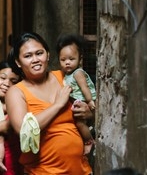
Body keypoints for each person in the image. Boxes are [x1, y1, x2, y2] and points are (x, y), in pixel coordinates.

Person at [5, 32, 94, 174]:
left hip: (81, 170)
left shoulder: (66, 77)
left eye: (39, 53)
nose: (35, 59)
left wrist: (89, 112)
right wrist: (58, 105)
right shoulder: (16, 92)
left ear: (48, 54)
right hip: (43, 171)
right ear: (18, 62)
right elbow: (24, 129)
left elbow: (95, 106)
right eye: (28, 56)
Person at [56, 34, 97, 154]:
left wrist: (89, 101)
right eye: (63, 60)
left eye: (71, 59)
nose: (67, 63)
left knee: (79, 123)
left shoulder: (78, 73)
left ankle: (89, 141)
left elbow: (85, 88)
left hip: (83, 100)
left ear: (80, 59)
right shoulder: (67, 75)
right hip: (77, 101)